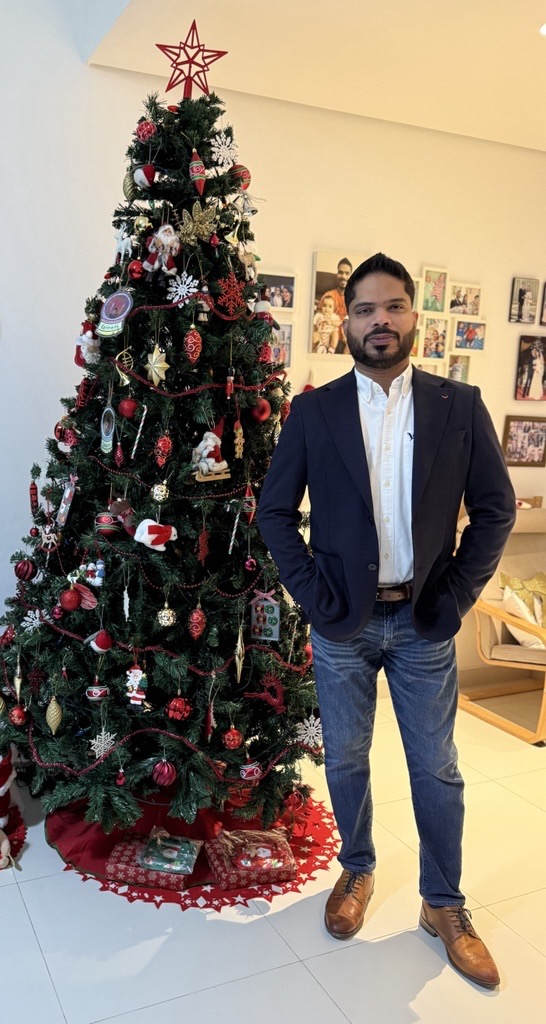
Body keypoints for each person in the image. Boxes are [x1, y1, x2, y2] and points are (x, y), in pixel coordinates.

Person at [258, 253, 515, 990]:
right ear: (347, 323)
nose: (380, 320)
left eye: (393, 306)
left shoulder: (458, 406)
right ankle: (358, 868)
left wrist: (457, 596)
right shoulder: (314, 412)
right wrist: (313, 596)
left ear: (414, 317)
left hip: (425, 620)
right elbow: (275, 513)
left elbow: (495, 510)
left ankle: (444, 903)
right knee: (345, 758)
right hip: (342, 623)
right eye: (365, 309)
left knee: (436, 766)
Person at [320, 257, 353, 354]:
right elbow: (318, 319)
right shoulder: (328, 296)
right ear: (336, 274)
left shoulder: (356, 298)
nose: (343, 276)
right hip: (329, 338)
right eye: (340, 272)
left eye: (347, 273)